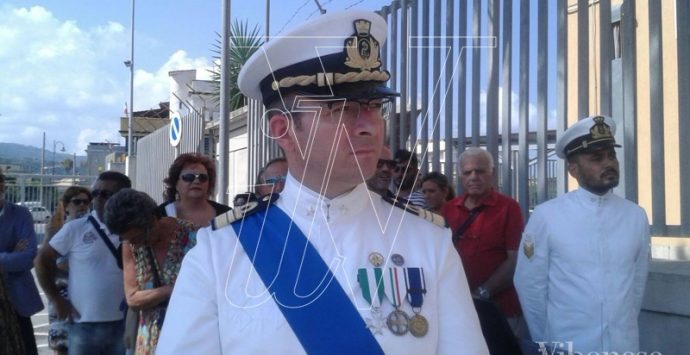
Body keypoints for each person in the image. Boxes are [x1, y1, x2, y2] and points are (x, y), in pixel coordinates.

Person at [157, 9, 488, 354]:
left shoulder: (429, 242)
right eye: (339, 109)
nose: (368, 125)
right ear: (282, 129)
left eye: (374, 106)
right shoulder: (220, 253)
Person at [514, 115, 650, 353]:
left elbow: (637, 283)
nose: (608, 163)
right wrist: (547, 341)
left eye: (611, 155)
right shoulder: (547, 216)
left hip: (623, 344)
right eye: (596, 158)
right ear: (573, 169)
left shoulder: (635, 216)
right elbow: (530, 285)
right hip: (569, 344)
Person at [35, 171, 132, 355]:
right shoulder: (75, 229)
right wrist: (56, 299)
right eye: (95, 193)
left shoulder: (133, 228)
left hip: (125, 324)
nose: (98, 199)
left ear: (123, 197)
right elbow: (42, 260)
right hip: (84, 326)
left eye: (106, 194)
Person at [441, 147, 526, 338]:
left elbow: (514, 259)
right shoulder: (449, 209)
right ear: (460, 176)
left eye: (480, 171)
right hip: (458, 306)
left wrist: (482, 293)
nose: (473, 177)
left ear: (492, 173)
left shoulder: (508, 207)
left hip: (500, 308)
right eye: (467, 172)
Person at [103, 189, 196, 355]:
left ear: (153, 220)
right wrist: (173, 290)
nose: (135, 244)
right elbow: (132, 299)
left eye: (137, 238)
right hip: (149, 342)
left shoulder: (193, 236)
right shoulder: (129, 245)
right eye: (127, 239)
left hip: (190, 336)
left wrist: (156, 295)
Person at [43, 186, 92, 355]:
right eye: (77, 202)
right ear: (66, 205)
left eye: (86, 202)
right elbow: (47, 261)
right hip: (62, 292)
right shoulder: (56, 229)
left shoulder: (91, 228)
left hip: (84, 295)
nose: (82, 206)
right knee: (62, 344)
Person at [0, 168, 44, 355]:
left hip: (16, 304)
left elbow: (27, 258)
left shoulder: (20, 214)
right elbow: (18, 258)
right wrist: (10, 253)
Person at [158, 153, 231, 228]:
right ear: (176, 183)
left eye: (202, 177)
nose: (196, 181)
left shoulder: (227, 215)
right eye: (189, 177)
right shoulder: (159, 215)